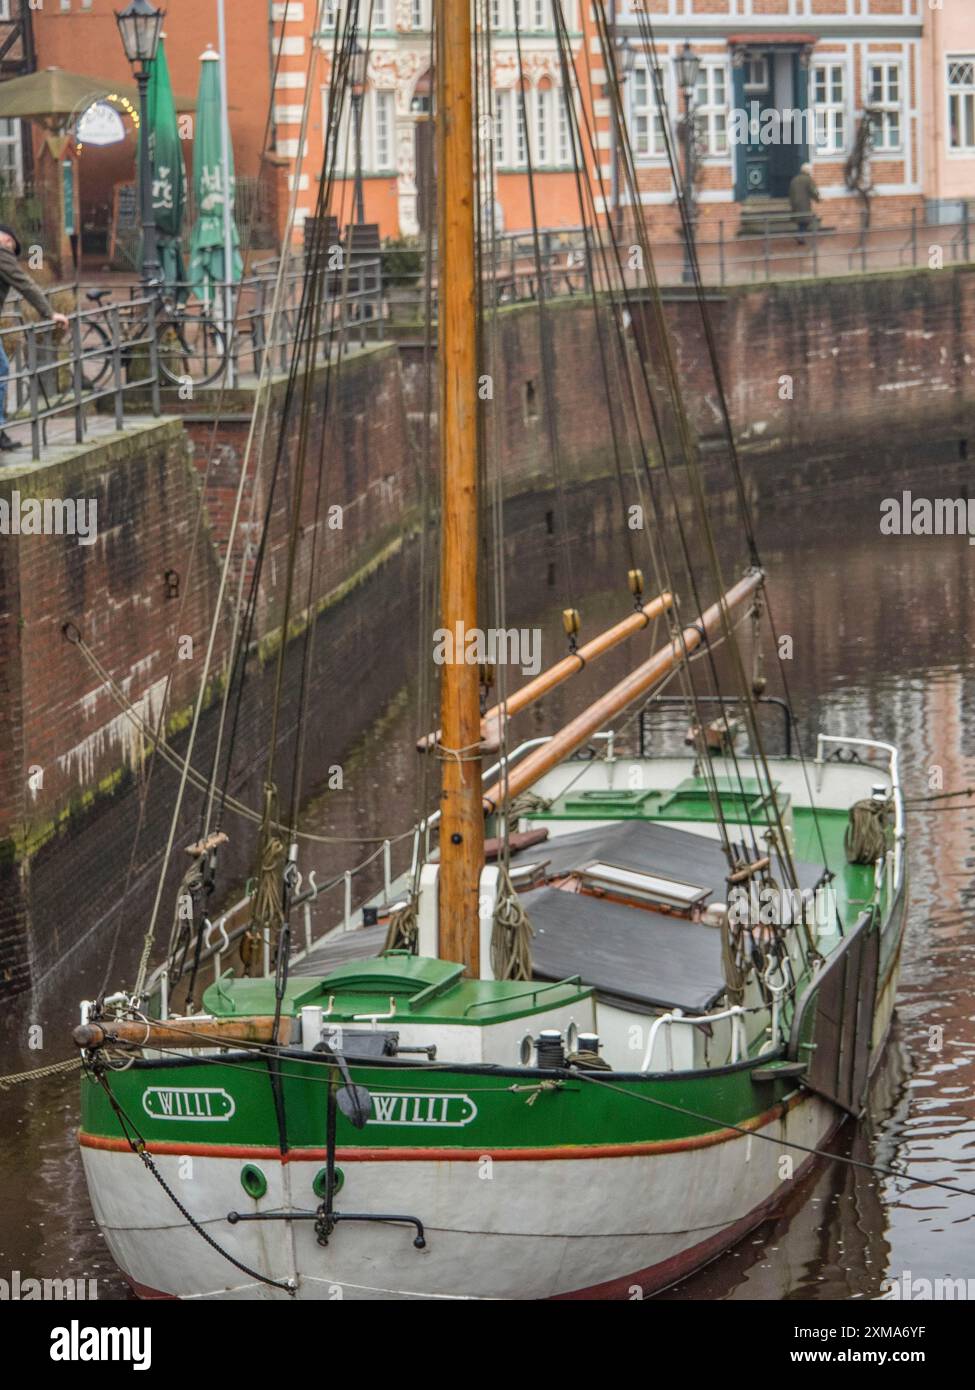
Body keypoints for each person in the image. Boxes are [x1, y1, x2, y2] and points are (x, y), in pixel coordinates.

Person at [0, 224, 69, 452]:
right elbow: (25, 284)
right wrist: (50, 312)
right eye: (11, 246)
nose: (10, 249)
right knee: (1, 370)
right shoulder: (2, 254)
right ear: (7, 240)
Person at [788, 163, 821, 246]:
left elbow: (790, 192)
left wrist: (792, 203)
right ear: (808, 171)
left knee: (801, 221)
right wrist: (818, 199)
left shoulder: (794, 179)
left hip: (795, 204)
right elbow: (813, 191)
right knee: (806, 221)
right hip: (804, 204)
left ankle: (800, 236)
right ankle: (799, 236)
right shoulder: (808, 179)